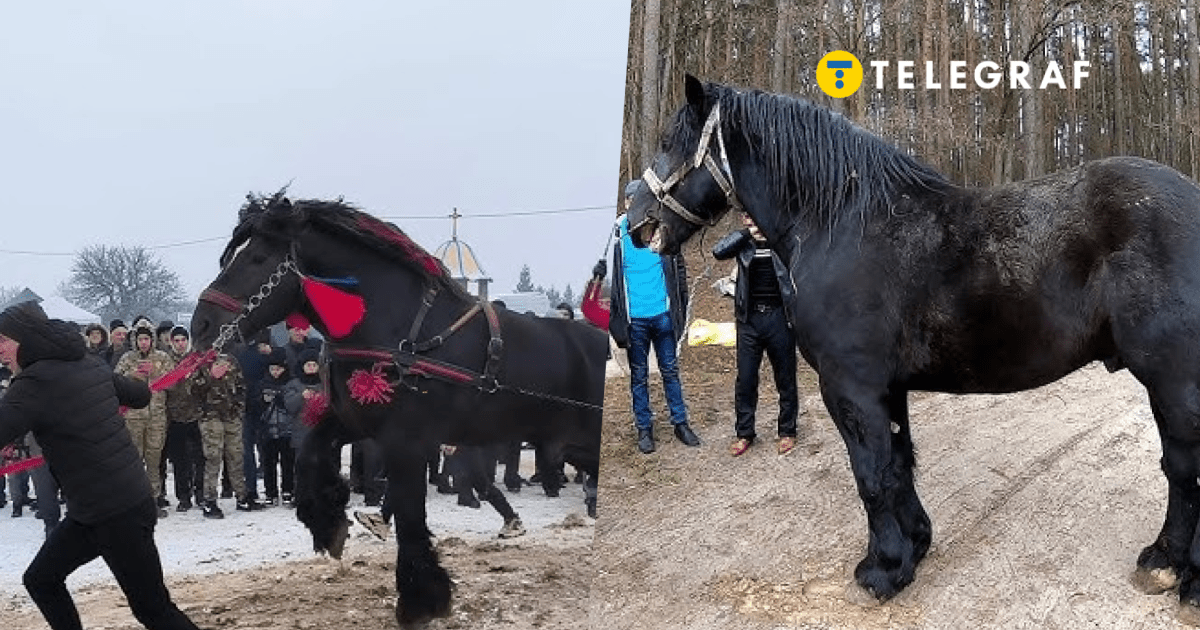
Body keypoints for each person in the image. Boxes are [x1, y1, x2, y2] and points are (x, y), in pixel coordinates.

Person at [0, 300, 201, 630]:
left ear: (25, 338)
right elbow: (139, 395)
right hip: (95, 510)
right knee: (41, 579)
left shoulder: (32, 384)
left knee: (154, 610)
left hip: (117, 511)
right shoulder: (88, 362)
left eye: (2, 340)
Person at [600, 180, 700, 454]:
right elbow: (611, 284)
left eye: (640, 199)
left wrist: (680, 308)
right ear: (625, 204)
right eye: (631, 200)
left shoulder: (661, 230)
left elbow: (678, 270)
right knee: (639, 376)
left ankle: (680, 423)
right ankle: (644, 429)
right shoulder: (617, 236)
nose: (636, 205)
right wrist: (617, 321)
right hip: (636, 321)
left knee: (670, 371)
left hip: (663, 315)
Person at [712, 212, 801, 456]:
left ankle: (787, 431)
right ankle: (744, 433)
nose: (754, 222)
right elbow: (718, 251)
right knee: (746, 380)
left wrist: (772, 228)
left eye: (757, 217)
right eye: (748, 218)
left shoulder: (780, 240)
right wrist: (746, 234)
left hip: (779, 318)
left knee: (785, 377)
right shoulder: (743, 243)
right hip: (749, 320)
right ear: (743, 219)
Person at [189, 352, 263, 517]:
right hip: (210, 417)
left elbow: (241, 386)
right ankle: (209, 500)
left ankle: (242, 496)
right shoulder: (202, 362)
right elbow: (193, 390)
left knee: (236, 455)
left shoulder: (231, 360)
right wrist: (211, 377)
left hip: (231, 416)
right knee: (213, 457)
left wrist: (238, 409)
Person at [114, 325, 176, 518]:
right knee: (134, 461)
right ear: (135, 341)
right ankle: (133, 501)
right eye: (140, 339)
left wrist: (156, 373)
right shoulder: (127, 359)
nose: (143, 342)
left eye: (146, 339)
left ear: (152, 340)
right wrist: (131, 375)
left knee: (154, 460)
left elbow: (174, 382)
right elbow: (115, 381)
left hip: (156, 418)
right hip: (133, 418)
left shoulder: (163, 358)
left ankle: (153, 499)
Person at [164, 326, 204, 512]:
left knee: (200, 459)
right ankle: (184, 496)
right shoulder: (165, 361)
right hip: (175, 417)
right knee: (180, 461)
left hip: (196, 415)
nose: (180, 344)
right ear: (171, 342)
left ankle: (201, 494)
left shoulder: (195, 360)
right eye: (177, 340)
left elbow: (205, 384)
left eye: (183, 340)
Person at [256, 348, 295, 506]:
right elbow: (254, 406)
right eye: (272, 369)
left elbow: (295, 406)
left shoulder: (290, 384)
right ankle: (270, 491)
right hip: (267, 430)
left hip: (287, 430)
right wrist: (263, 402)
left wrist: (284, 403)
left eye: (279, 369)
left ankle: (288, 490)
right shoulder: (262, 384)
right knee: (268, 463)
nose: (276, 372)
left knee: (287, 463)